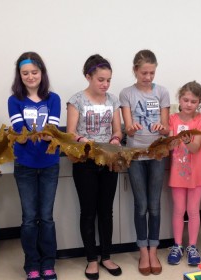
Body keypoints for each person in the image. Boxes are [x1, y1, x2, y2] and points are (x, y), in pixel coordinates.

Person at [67, 54, 122, 280]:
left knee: (106, 211)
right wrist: (82, 142)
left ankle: (106, 256)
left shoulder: (113, 100)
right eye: (100, 79)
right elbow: (70, 133)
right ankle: (91, 259)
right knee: (88, 212)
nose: (105, 84)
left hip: (108, 161)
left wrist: (116, 139)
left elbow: (117, 130)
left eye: (108, 80)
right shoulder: (76, 100)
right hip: (85, 163)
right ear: (88, 76)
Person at [8, 52, 60, 280]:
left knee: (46, 217)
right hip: (25, 165)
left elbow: (53, 131)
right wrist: (36, 134)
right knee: (29, 217)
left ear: (42, 73)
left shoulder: (54, 99)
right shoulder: (14, 100)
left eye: (34, 72)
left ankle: (49, 263)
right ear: (19, 75)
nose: (30, 76)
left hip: (49, 164)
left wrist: (44, 135)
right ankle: (32, 264)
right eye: (25, 73)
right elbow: (20, 132)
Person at [119, 49, 170, 276]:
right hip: (136, 155)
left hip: (157, 154)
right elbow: (127, 127)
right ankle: (143, 250)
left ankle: (153, 249)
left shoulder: (162, 92)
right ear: (135, 71)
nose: (148, 77)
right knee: (141, 205)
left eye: (151, 73)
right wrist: (131, 128)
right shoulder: (126, 93)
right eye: (144, 73)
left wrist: (162, 127)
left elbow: (167, 128)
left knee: (155, 204)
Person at [167, 81, 201, 266]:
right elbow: (168, 146)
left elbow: (195, 148)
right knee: (179, 210)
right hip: (178, 173)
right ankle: (177, 245)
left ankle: (192, 246)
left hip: (197, 174)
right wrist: (172, 140)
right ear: (179, 99)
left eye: (193, 101)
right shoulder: (172, 119)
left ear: (199, 103)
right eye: (185, 100)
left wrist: (186, 140)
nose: (188, 104)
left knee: (193, 211)